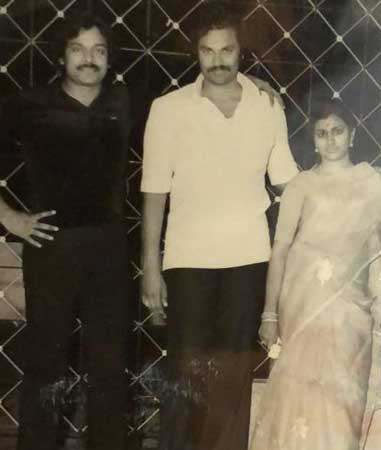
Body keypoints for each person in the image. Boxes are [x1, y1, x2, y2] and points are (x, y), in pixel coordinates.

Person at [139, 2, 299, 449]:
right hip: (188, 261)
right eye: (207, 51)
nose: (218, 61)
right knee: (184, 378)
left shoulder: (267, 104)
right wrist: (151, 266)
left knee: (232, 380)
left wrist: (340, 187)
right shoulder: (168, 109)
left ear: (241, 51)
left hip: (249, 260)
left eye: (226, 50)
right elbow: (154, 191)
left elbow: (286, 178)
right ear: (196, 53)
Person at [0, 13, 131, 450]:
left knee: (109, 368)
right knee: (45, 366)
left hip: (109, 249)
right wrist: (9, 217)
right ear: (61, 56)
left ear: (110, 59)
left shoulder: (125, 101)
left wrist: (251, 83)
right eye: (78, 49)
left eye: (98, 50)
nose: (88, 59)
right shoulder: (29, 104)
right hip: (50, 246)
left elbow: (193, 98)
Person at [249, 99, 381, 450]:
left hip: (350, 308)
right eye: (322, 133)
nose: (330, 139)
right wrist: (269, 313)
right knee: (301, 393)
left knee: (343, 397)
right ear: (313, 140)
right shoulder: (301, 185)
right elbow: (281, 248)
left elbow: (379, 246)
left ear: (352, 135)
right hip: (303, 303)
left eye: (338, 131)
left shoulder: (372, 182)